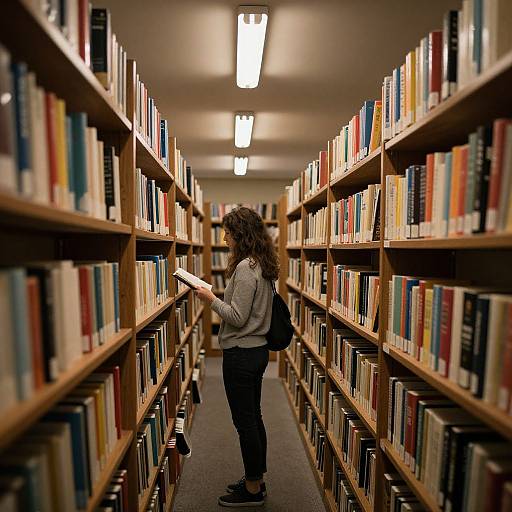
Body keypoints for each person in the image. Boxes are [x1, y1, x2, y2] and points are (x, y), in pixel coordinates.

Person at [195, 206, 279, 507]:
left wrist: (210, 299)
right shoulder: (262, 264)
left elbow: (237, 316)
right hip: (256, 352)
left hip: (242, 353)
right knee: (253, 418)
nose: (225, 237)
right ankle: (256, 477)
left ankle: (253, 489)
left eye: (228, 232)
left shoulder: (246, 268)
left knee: (245, 422)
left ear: (240, 235)